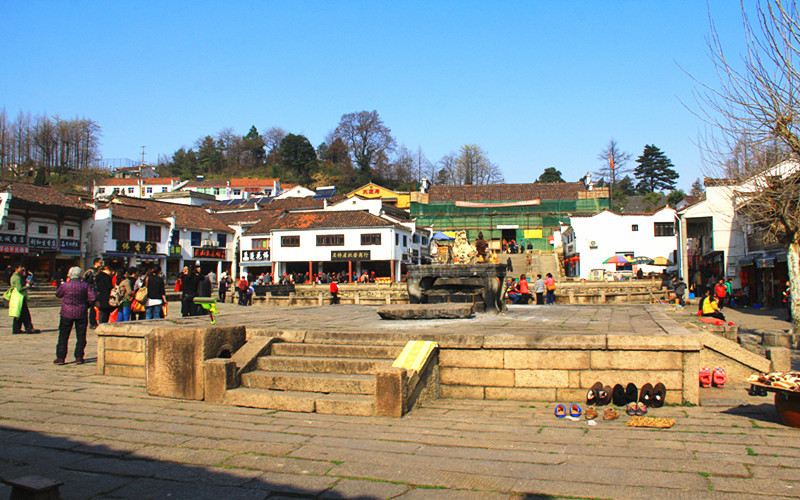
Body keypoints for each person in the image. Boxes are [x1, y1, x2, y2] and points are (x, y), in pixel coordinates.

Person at [54, 267, 96, 364]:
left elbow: (58, 294)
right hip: (81, 312)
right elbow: (93, 297)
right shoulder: (85, 285)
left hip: (66, 312)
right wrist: (87, 305)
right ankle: (79, 356)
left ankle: (60, 357)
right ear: (80, 275)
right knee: (81, 336)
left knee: (63, 336)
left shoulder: (65, 285)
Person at [9, 264, 39, 334]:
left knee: (20, 314)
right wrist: (27, 286)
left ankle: (17, 329)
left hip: (17, 297)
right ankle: (29, 328)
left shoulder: (15, 276)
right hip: (20, 297)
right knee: (25, 313)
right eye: (20, 268)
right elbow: (19, 288)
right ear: (16, 269)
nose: (22, 269)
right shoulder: (17, 278)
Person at [83, 257, 103, 329]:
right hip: (92, 291)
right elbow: (85, 281)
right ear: (96, 263)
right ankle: (92, 322)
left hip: (98, 291)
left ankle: (95, 321)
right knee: (92, 307)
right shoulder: (90, 271)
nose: (101, 264)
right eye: (100, 262)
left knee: (96, 307)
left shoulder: (100, 271)